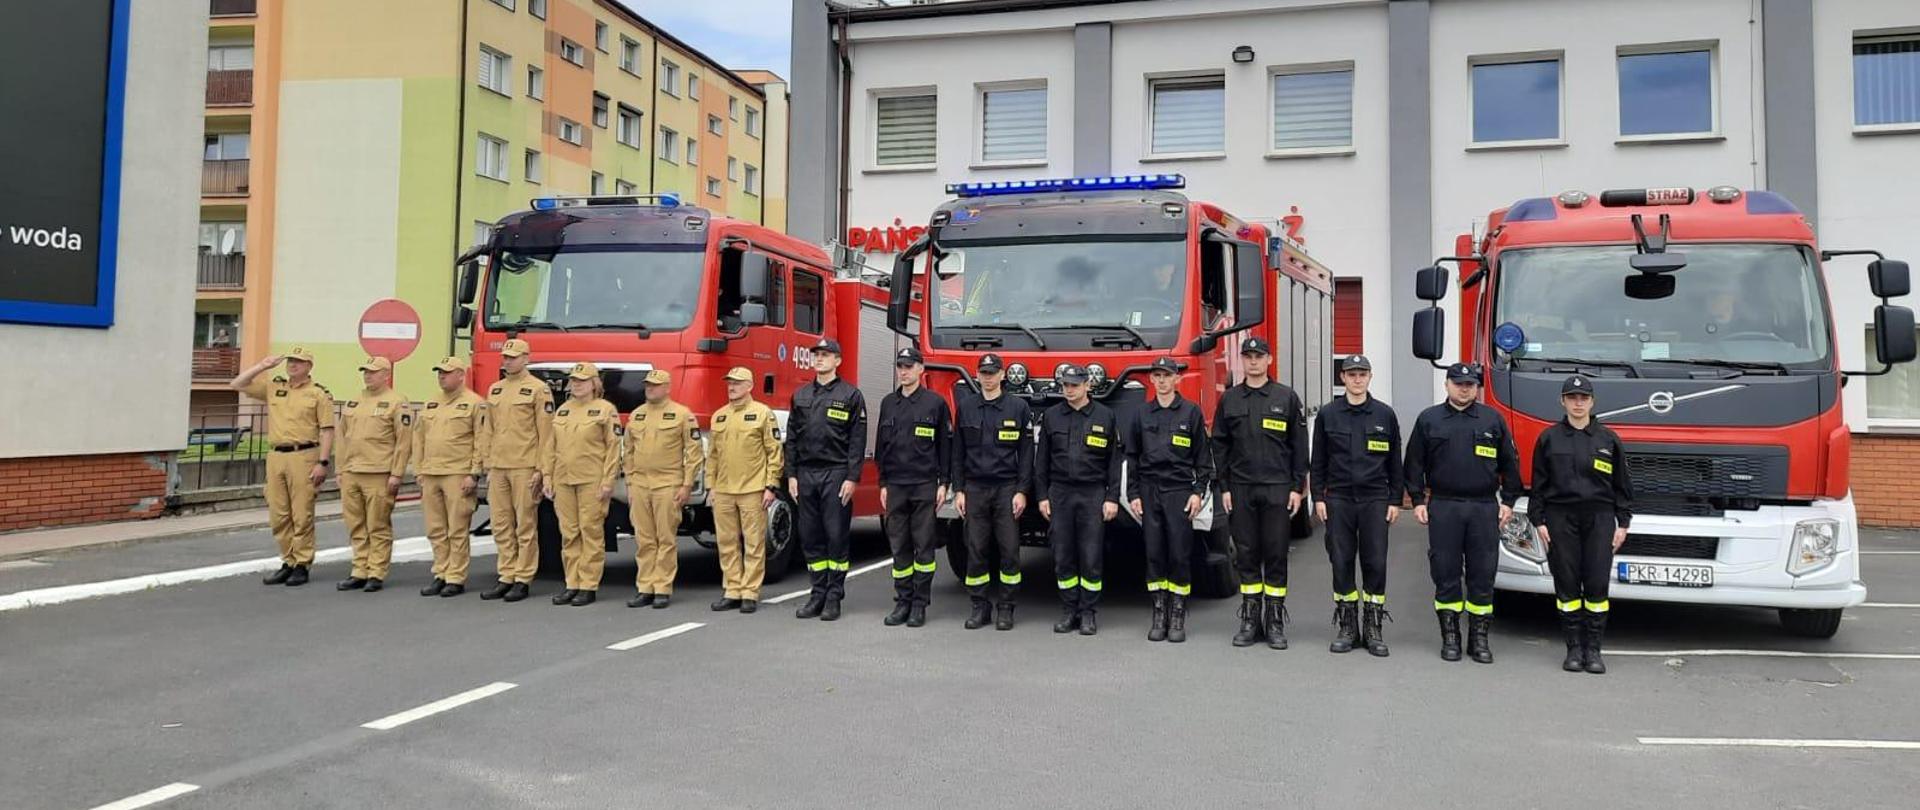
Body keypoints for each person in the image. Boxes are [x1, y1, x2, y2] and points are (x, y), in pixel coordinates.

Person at [1404, 362, 1524, 664]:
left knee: (1482, 574)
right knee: (1445, 573)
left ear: (1477, 388)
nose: (1464, 388)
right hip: (1444, 505)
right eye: (1458, 383)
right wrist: (1418, 500)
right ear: (1447, 385)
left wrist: (1508, 501)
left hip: (1484, 507)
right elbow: (1413, 464)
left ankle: (1479, 639)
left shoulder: (1492, 420)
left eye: (1470, 384)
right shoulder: (1429, 420)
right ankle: (1451, 637)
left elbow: (1510, 465)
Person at [1529, 374, 1634, 675]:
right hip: (1560, 518)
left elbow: (1622, 486)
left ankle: (1594, 650)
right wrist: (1539, 521)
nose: (1578, 403)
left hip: (1600, 518)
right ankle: (1573, 649)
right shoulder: (1549, 438)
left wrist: (1623, 523)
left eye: (1583, 398)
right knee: (1567, 584)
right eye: (1572, 398)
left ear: (1592, 401)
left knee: (1598, 584)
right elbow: (1538, 484)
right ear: (1562, 401)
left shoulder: (1607, 439)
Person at [1211, 337, 1308, 649]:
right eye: (1248, 356)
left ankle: (1275, 620)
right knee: (1247, 554)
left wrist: (1297, 487)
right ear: (1242, 361)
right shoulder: (1230, 399)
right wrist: (1224, 487)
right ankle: (1250, 619)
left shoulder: (1286, 398)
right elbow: (1220, 445)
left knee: (1276, 554)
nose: (1253, 361)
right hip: (1240, 488)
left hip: (1278, 488)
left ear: (1269, 360)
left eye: (1259, 356)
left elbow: (1298, 447)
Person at [1309, 354, 1402, 656]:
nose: (1357, 379)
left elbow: (1395, 463)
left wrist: (1395, 500)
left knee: (1375, 562)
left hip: (1375, 499)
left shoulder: (1385, 415)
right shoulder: (1328, 414)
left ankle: (1373, 627)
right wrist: (1318, 498)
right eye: (1351, 374)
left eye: (1362, 374)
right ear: (1343, 378)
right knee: (1341, 561)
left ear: (1370, 377)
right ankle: (1347, 625)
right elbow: (1318, 460)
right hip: (1339, 499)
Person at [229, 347, 333, 587]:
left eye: (299, 362)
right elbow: (237, 384)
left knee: (302, 514)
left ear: (309, 367)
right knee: (279, 514)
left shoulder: (318, 394)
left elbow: (327, 430)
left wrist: (323, 462)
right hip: (276, 456)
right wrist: (262, 365)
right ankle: (287, 561)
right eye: (290, 361)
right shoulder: (276, 387)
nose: (293, 365)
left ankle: (302, 563)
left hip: (304, 454)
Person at [1127, 357, 1211, 643]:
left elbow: (1203, 459)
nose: (1162, 380)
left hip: (1179, 492)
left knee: (1179, 553)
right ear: (1151, 380)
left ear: (1177, 379)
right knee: (1153, 553)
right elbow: (1132, 457)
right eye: (1157, 375)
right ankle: (1158, 612)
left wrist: (1198, 492)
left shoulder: (1191, 413)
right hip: (1150, 491)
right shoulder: (1141, 414)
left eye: (1167, 375)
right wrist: (1133, 494)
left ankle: (1177, 613)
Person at [1035, 364, 1123, 636]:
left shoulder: (1106, 416)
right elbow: (1042, 462)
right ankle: (1069, 609)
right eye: (1065, 385)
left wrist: (1111, 498)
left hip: (1092, 492)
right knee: (1063, 555)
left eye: (1074, 385)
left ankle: (1088, 612)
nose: (1069, 390)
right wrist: (1042, 497)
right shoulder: (1051, 417)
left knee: (1091, 555)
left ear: (1088, 386)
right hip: (1060, 493)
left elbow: (1113, 462)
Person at [784, 338, 867, 621]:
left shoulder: (851, 395)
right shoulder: (801, 395)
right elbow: (791, 439)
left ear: (838, 361)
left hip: (836, 473)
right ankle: (816, 594)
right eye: (816, 355)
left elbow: (857, 441)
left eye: (825, 355)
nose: (819, 359)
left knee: (835, 536)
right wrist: (791, 475)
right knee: (810, 537)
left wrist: (852, 478)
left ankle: (834, 596)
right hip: (806, 474)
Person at [952, 353, 1031, 631]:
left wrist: (1022, 491)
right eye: (983, 372)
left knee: (1009, 550)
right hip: (974, 488)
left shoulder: (1018, 408)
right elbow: (958, 452)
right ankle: (979, 607)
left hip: (1006, 488)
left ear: (1002, 375)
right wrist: (958, 489)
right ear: (978, 375)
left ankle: (1006, 608)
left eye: (992, 372)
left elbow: (1026, 454)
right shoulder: (967, 407)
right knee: (976, 550)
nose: (987, 377)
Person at [875, 347, 952, 628]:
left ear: (921, 369)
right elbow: (881, 446)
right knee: (899, 547)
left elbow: (945, 446)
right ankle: (902, 602)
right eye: (900, 366)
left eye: (909, 366)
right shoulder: (888, 403)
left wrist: (944, 482)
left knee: (924, 548)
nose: (904, 371)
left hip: (923, 485)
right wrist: (882, 482)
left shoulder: (935, 404)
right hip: (895, 485)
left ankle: (920, 604)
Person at [479, 338, 554, 603]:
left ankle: (522, 578)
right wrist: (486, 462)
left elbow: (546, 433)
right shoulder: (496, 390)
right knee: (501, 524)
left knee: (525, 524)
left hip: (524, 465)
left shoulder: (538, 389)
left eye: (513, 356)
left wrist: (541, 468)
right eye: (505, 357)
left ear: (526, 358)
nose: (507, 360)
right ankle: (506, 575)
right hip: (499, 466)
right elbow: (488, 428)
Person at [541, 363, 620, 607]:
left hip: (591, 480)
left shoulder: (605, 410)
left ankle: (588, 585)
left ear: (594, 384)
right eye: (574, 380)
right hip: (564, 480)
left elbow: (613, 448)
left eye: (582, 380)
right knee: (569, 533)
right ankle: (571, 583)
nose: (576, 384)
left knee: (590, 532)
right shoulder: (563, 410)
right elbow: (550, 447)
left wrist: (608, 481)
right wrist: (547, 476)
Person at [707, 366, 784, 613]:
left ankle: (750, 592)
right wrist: (711, 487)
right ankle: (732, 590)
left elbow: (774, 452)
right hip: (724, 489)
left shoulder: (762, 414)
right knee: (727, 542)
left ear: (750, 386)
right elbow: (713, 456)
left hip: (752, 488)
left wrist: (771, 485)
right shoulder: (719, 416)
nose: (732, 387)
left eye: (737, 383)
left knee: (753, 543)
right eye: (729, 382)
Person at [623, 369, 702, 609]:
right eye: (648, 385)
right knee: (644, 539)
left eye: (655, 385)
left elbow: (694, 452)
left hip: (668, 484)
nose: (650, 389)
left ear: (667, 388)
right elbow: (628, 451)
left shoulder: (682, 415)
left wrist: (687, 483)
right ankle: (645, 586)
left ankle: (662, 588)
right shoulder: (637, 415)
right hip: (640, 485)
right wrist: (629, 482)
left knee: (665, 538)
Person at [334, 356, 413, 593]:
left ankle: (376, 571)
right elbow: (341, 437)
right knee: (355, 524)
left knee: (377, 524)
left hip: (379, 472)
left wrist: (397, 473)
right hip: (352, 471)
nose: (367, 375)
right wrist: (339, 469)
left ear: (385, 375)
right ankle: (359, 569)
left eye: (373, 372)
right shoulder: (354, 402)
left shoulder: (397, 402)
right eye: (365, 371)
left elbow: (403, 441)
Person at [413, 356, 486, 598]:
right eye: (439, 373)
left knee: (457, 528)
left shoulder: (474, 403)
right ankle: (440, 573)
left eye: (446, 372)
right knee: (435, 528)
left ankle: (455, 576)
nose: (441, 376)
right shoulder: (431, 403)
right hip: (432, 472)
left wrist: (474, 473)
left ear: (460, 375)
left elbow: (480, 440)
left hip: (458, 473)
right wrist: (419, 470)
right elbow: (419, 438)